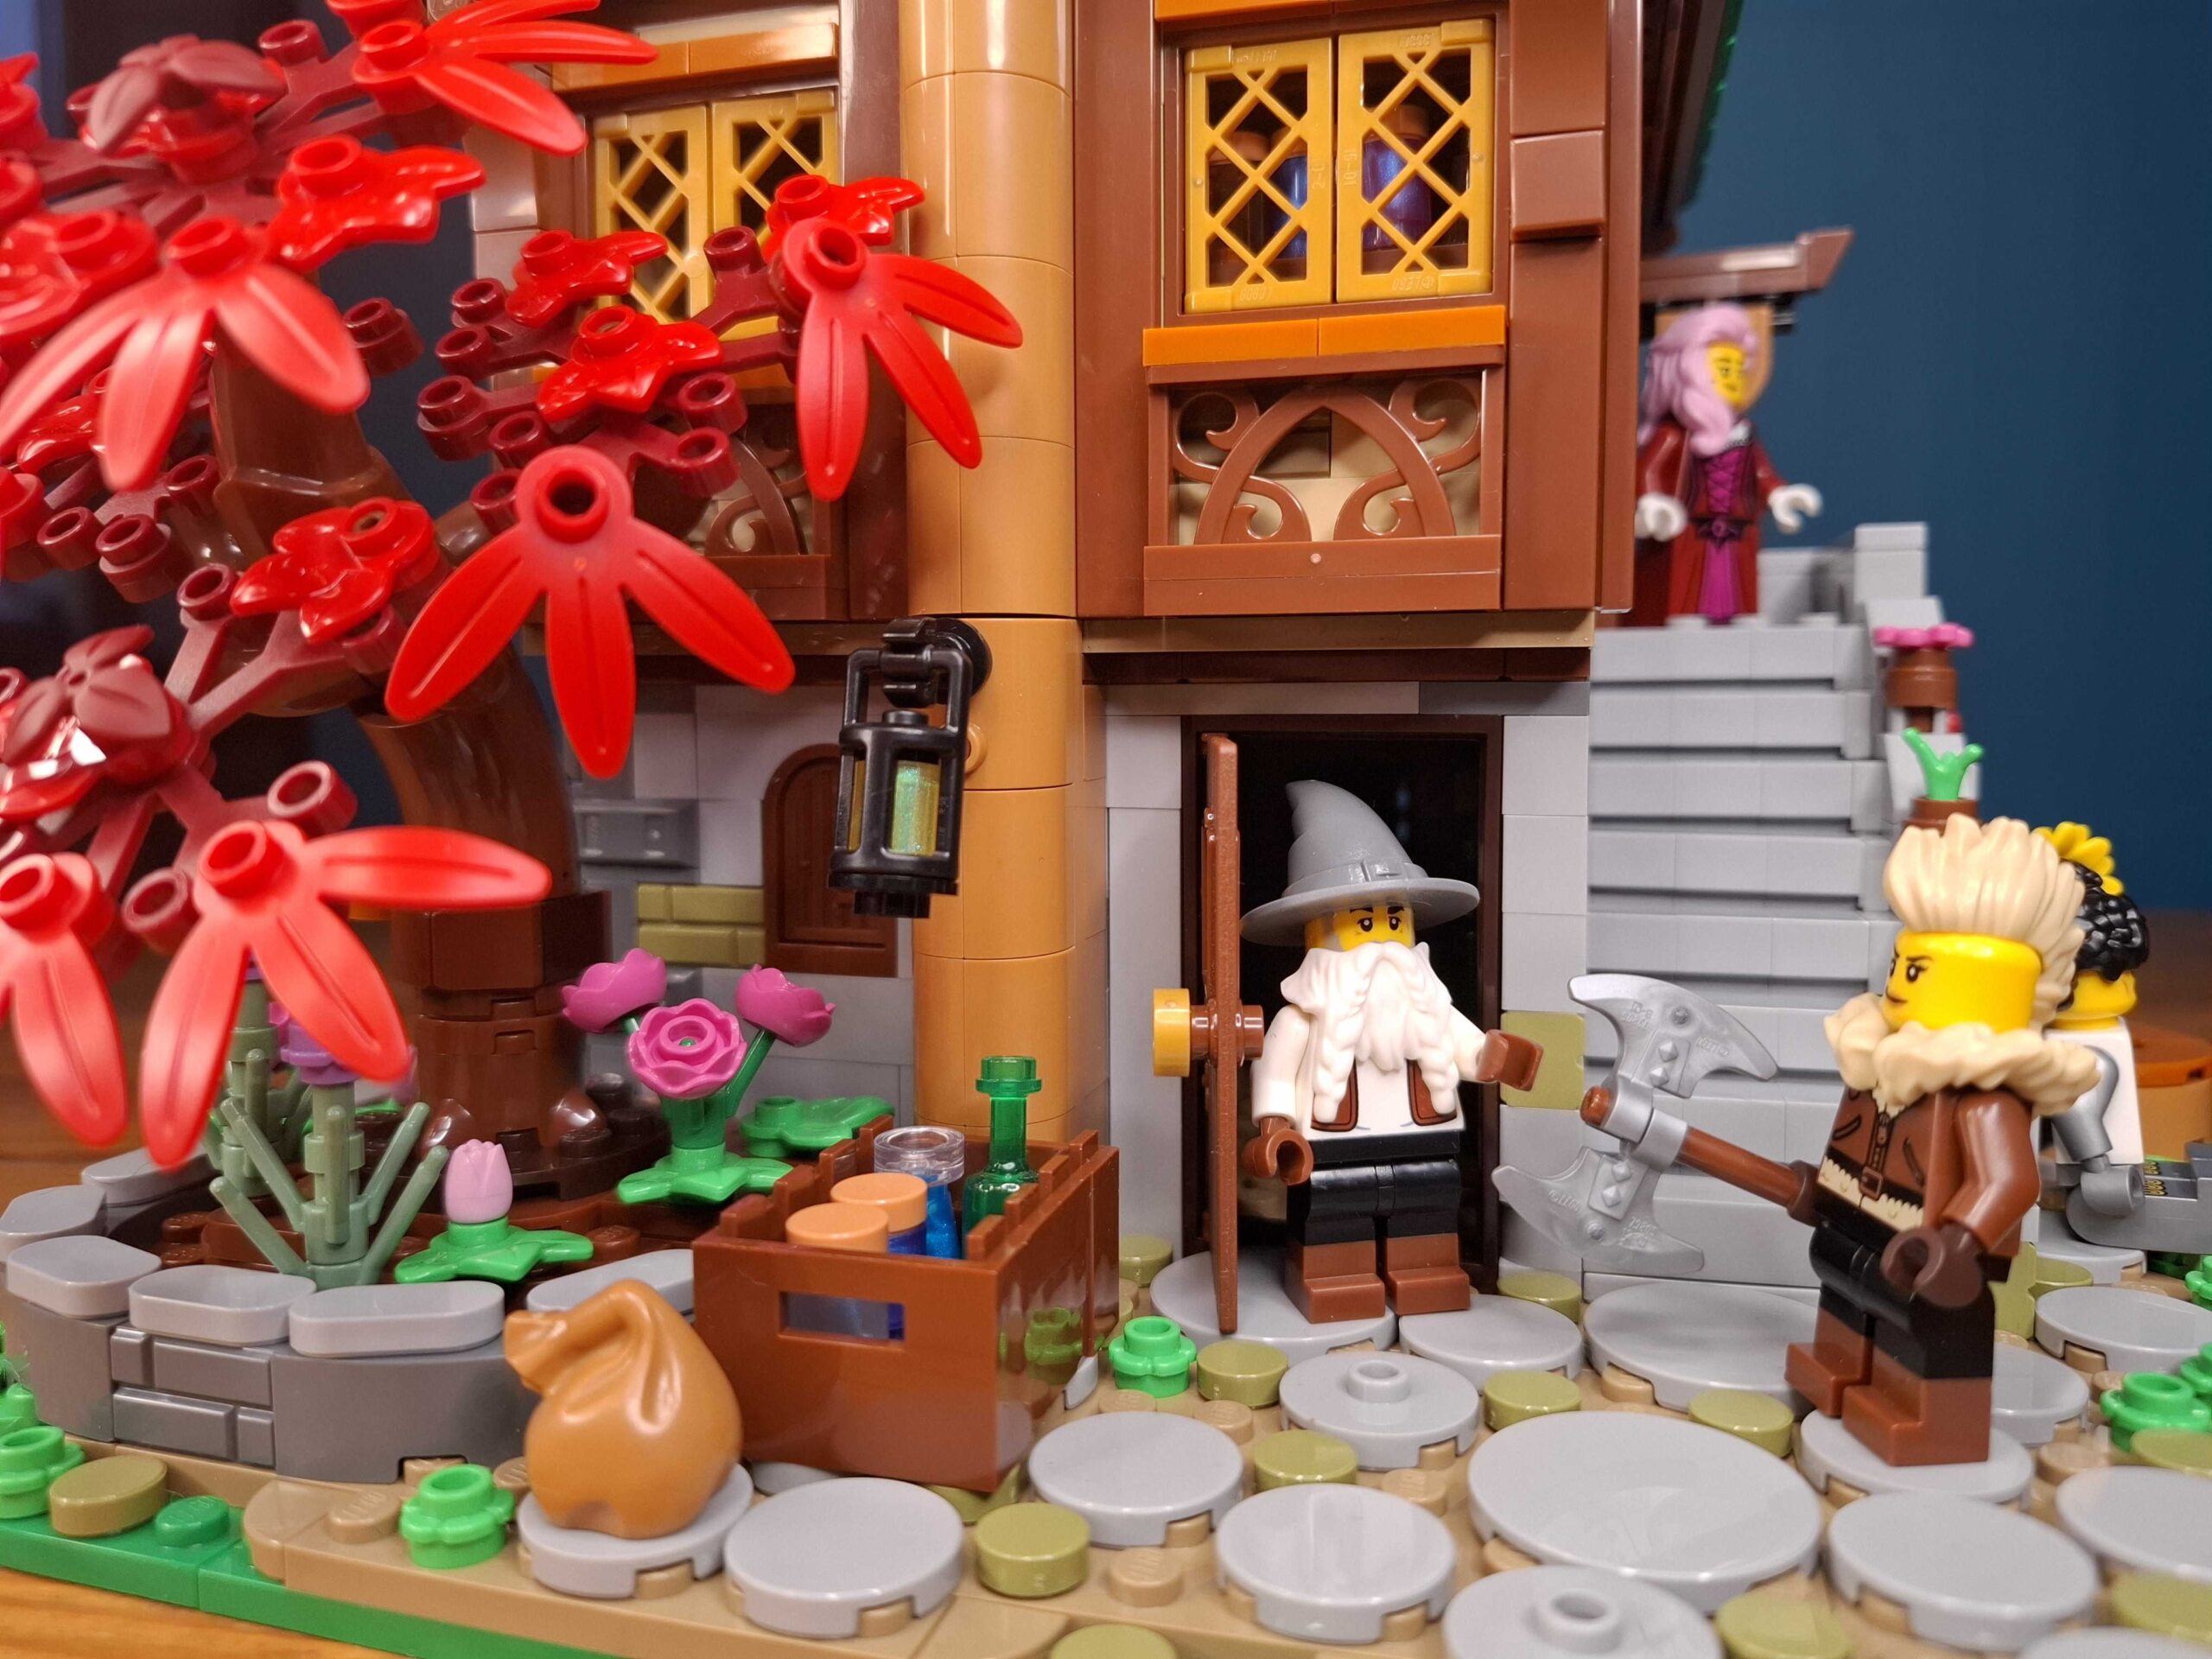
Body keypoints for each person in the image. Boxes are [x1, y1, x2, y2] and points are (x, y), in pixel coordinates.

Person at [1240, 780, 1539, 1322]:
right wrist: (1275, 1125)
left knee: (1427, 1210)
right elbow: (1277, 1076)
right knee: (1334, 1217)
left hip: (1427, 1141)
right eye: (1363, 923)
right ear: (1316, 935)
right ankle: (1334, 1278)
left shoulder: (1428, 1007)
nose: (1382, 941)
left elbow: (1470, 1051)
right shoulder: (1300, 1019)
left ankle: (1425, 1274)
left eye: (1395, 921)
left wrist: (1499, 1058)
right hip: (1331, 1151)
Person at [1630, 302, 1822, 626]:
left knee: (1737, 603)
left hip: (1737, 535)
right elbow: (1648, 470)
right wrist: (1651, 502)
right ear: (1687, 371)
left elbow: (1759, 472)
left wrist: (1779, 495)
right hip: (1687, 536)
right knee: (1682, 601)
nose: (1733, 379)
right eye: (1723, 369)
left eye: (1738, 370)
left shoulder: (1742, 433)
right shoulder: (1674, 434)